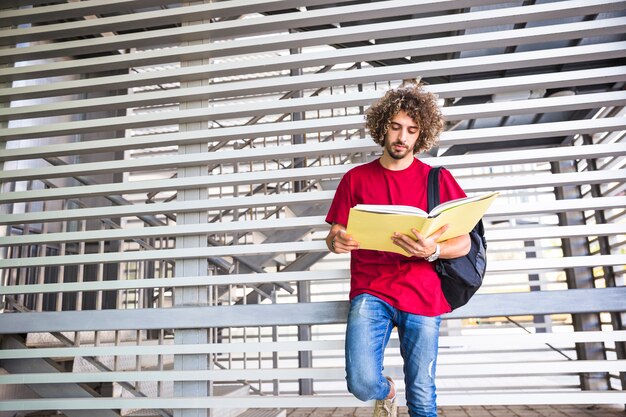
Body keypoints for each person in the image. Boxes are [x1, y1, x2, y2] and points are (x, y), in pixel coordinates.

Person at [324, 82, 471, 417]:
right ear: (382, 128)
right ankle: (387, 390)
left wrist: (432, 250)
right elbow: (334, 235)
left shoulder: (438, 179)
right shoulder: (355, 179)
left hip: (423, 295)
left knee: (421, 397)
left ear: (421, 135)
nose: (402, 137)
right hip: (370, 291)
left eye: (411, 130)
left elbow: (463, 242)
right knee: (361, 382)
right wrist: (337, 241)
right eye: (395, 127)